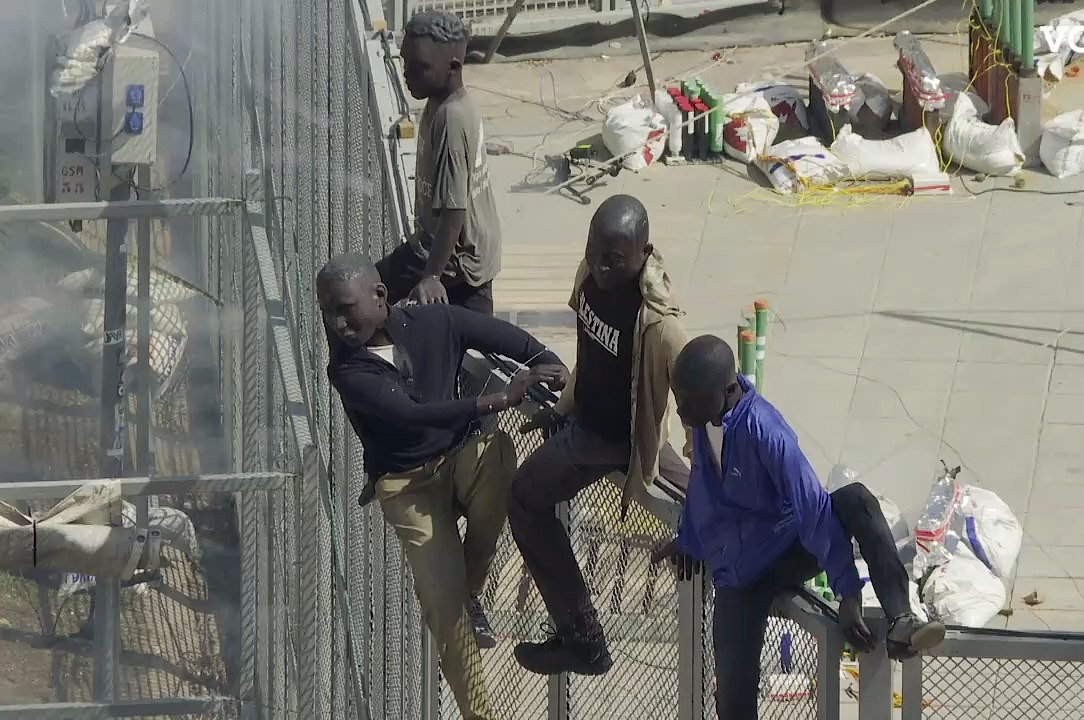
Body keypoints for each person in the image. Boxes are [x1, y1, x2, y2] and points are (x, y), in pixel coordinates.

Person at [317, 252, 568, 720]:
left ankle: (471, 587)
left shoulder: (434, 322)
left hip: (458, 459)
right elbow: (410, 414)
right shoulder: (347, 370)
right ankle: (479, 712)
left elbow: (507, 338)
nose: (336, 322)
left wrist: (547, 361)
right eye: (327, 310)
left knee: (497, 455)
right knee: (441, 604)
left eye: (345, 308)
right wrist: (498, 399)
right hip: (406, 486)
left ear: (379, 297)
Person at [653, 334, 946, 720]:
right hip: (740, 575)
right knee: (733, 704)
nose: (679, 410)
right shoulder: (704, 421)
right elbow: (704, 490)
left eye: (688, 400)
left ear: (725, 390)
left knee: (855, 499)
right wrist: (688, 541)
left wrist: (848, 592)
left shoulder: (766, 431)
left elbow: (812, 508)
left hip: (792, 548)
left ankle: (901, 620)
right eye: (678, 398)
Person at [507, 194, 691, 676]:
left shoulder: (661, 326)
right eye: (595, 250)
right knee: (526, 495)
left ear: (643, 252)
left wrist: (697, 458)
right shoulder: (586, 277)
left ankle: (582, 637)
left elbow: (699, 402)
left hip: (618, 441)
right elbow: (588, 353)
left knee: (525, 497)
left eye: (615, 258)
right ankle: (582, 635)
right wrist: (564, 406)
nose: (602, 265)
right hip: (584, 421)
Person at [375, 9, 502, 314]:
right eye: (405, 61)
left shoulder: (452, 119)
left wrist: (431, 277)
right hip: (441, 249)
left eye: (418, 67)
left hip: (458, 264)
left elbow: (453, 210)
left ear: (453, 67)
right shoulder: (440, 101)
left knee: (364, 294)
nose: (406, 74)